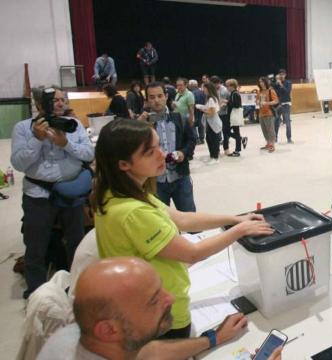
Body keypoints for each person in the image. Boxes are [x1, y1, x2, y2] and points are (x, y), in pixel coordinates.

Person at [91, 118, 273, 339]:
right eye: (150, 152)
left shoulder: (123, 192)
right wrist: (241, 230)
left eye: (159, 145)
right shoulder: (133, 212)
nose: (162, 154)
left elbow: (182, 219)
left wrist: (235, 219)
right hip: (160, 315)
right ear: (123, 164)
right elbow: (192, 253)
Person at [38, 257, 261, 360]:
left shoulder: (91, 337)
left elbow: (148, 352)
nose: (170, 299)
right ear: (108, 330)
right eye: (153, 300)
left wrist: (213, 339)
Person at [11, 86, 94, 299]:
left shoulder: (73, 125)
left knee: (76, 244)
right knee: (36, 246)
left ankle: (78, 290)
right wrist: (37, 139)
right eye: (54, 100)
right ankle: (37, 294)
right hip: (38, 194)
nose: (60, 103)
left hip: (71, 194)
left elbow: (88, 154)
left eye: (62, 99)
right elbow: (19, 163)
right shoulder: (23, 128)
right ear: (40, 105)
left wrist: (65, 143)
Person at [137, 82, 196, 211]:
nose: (156, 100)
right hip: (155, 181)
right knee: (161, 222)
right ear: (146, 100)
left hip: (180, 176)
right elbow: (133, 150)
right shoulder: (142, 122)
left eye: (160, 96)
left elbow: (191, 140)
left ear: (166, 96)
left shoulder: (179, 117)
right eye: (152, 97)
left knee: (190, 218)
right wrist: (138, 128)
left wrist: (183, 153)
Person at [198, 82, 223, 164]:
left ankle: (215, 158)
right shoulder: (211, 98)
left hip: (213, 123)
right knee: (209, 139)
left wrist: (202, 109)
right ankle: (213, 156)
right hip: (211, 122)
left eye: (204, 88)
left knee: (213, 140)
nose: (203, 90)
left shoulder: (211, 99)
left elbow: (212, 112)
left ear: (208, 88)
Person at [256, 77, 279, 153]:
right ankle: (268, 143)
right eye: (260, 82)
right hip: (261, 113)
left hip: (269, 113)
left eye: (262, 82)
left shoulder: (270, 91)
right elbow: (257, 101)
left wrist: (267, 103)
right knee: (264, 130)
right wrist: (257, 102)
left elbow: (276, 101)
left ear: (265, 82)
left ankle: (272, 145)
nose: (261, 83)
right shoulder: (260, 92)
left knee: (270, 129)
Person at [211, 76, 233, 155]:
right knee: (216, 132)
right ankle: (217, 149)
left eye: (215, 84)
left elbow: (228, 101)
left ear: (218, 83)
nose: (214, 86)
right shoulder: (212, 89)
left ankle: (226, 148)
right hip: (215, 114)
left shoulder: (225, 90)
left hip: (224, 114)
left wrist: (222, 105)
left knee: (225, 132)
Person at [225, 78, 247, 156]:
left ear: (232, 86)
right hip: (233, 115)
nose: (226, 87)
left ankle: (237, 150)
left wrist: (227, 102)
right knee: (233, 132)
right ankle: (241, 140)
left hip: (234, 115)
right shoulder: (234, 93)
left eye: (227, 86)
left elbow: (236, 105)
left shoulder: (235, 93)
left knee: (229, 132)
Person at [273, 69, 293, 143]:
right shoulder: (276, 83)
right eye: (280, 74)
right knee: (276, 121)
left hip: (286, 104)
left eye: (283, 74)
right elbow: (274, 92)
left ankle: (289, 138)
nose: (281, 76)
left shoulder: (288, 82)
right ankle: (275, 138)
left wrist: (281, 85)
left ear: (285, 75)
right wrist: (276, 82)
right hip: (278, 104)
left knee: (287, 121)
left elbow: (287, 92)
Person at [188, 79, 206, 145]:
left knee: (192, 125)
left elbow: (191, 104)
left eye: (189, 85)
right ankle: (202, 139)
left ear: (192, 85)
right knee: (201, 125)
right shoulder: (202, 92)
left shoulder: (191, 93)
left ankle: (197, 139)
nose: (188, 86)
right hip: (202, 110)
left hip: (194, 111)